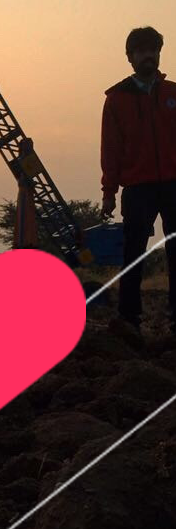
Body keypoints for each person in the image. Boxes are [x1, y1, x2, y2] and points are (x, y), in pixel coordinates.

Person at [101, 26, 176, 335]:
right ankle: (129, 318)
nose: (149, 56)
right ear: (130, 57)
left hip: (173, 184)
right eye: (142, 51)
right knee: (134, 252)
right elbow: (111, 149)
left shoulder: (172, 93)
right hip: (137, 187)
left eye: (153, 50)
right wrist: (109, 192)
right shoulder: (116, 99)